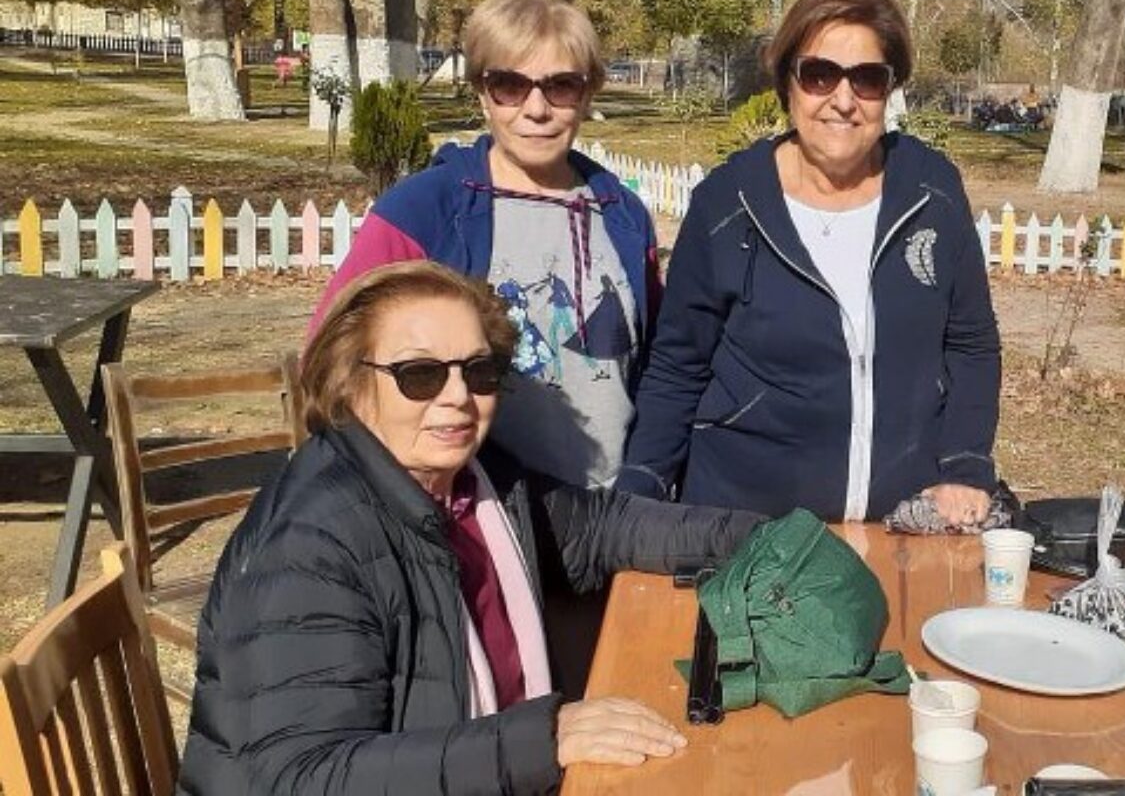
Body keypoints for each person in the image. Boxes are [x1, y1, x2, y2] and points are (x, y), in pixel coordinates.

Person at [178, 262, 764, 795]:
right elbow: (304, 778)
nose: (458, 396)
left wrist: (772, 537)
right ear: (348, 382)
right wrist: (544, 740)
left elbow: (604, 525)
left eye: (480, 371)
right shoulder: (310, 544)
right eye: (420, 375)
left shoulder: (477, 484)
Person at [619, 0, 1001, 526]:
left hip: (900, 526)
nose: (843, 101)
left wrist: (965, 466)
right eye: (819, 74)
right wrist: (641, 493)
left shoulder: (931, 193)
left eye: (867, 79)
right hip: (746, 527)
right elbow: (678, 366)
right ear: (788, 83)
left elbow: (971, 343)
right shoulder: (727, 205)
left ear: (889, 90)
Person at [311, 0, 660, 490]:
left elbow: (656, 366)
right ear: (481, 90)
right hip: (481, 517)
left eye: (561, 86)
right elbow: (331, 367)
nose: (536, 108)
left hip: (612, 510)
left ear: (587, 94)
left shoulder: (622, 216)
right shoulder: (423, 212)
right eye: (510, 85)